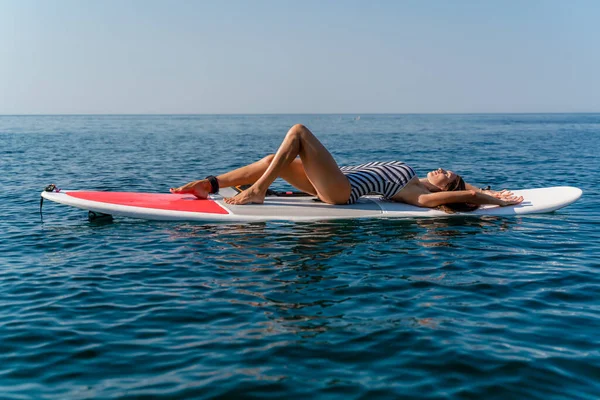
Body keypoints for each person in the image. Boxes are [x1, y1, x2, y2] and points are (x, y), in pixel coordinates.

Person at [170, 124, 523, 212]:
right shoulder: (415, 179)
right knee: (271, 162)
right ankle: (210, 184)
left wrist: (493, 200)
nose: (443, 169)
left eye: (448, 174)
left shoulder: (418, 194)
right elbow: (465, 189)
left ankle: (258, 191)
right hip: (334, 180)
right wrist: (489, 190)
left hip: (342, 191)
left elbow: (460, 197)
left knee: (298, 132)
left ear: (447, 188)